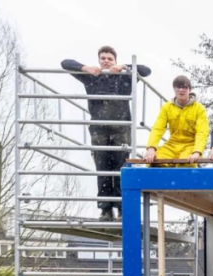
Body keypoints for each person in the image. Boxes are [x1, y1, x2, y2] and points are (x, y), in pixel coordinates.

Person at [62, 46, 151, 222]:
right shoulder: (91, 77)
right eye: (103, 58)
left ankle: (122, 208)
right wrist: (85, 68)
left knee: (121, 169)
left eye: (110, 58)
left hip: (121, 129)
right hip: (99, 129)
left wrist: (125, 66)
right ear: (98, 60)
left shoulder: (125, 77)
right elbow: (65, 63)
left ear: (115, 61)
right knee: (102, 169)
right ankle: (105, 209)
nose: (106, 61)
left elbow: (146, 71)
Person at [144, 75, 209, 167]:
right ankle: (163, 181)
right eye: (178, 87)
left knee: (187, 163)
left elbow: (202, 132)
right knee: (154, 161)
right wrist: (151, 148)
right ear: (174, 89)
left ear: (189, 90)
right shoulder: (167, 107)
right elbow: (157, 128)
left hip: (190, 145)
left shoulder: (199, 108)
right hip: (172, 145)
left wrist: (197, 151)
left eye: (184, 87)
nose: (181, 90)